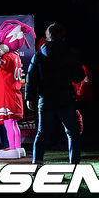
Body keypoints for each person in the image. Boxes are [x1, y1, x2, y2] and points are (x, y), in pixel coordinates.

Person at [25, 22, 85, 165]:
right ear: (63, 36)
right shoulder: (70, 53)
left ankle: (37, 161)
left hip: (46, 99)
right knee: (72, 133)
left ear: (47, 36)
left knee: (42, 133)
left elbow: (31, 77)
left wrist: (29, 97)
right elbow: (78, 76)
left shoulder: (39, 55)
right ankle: (74, 163)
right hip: (65, 98)